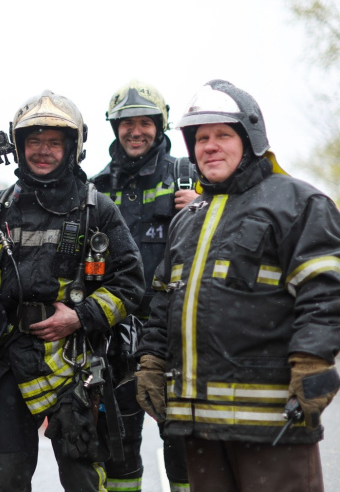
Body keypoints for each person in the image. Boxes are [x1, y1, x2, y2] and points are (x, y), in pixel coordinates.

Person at [134, 79, 340, 492]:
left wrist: (312, 362)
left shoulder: (298, 204)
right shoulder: (187, 219)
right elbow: (164, 300)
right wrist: (152, 362)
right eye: (201, 138)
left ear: (250, 138)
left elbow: (325, 294)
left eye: (223, 135)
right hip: (198, 425)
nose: (209, 146)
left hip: (271, 420)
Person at [0, 90, 146, 492]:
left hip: (75, 366)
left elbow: (130, 283)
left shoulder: (98, 209)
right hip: (9, 361)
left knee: (82, 478)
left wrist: (80, 317)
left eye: (54, 142)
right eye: (34, 141)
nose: (43, 151)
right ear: (18, 146)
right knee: (6, 479)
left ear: (73, 148)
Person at [91, 80, 196, 492]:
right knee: (117, 442)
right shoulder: (97, 187)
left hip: (173, 331)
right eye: (126, 123)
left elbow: (229, 229)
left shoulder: (188, 177)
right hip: (115, 333)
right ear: (114, 128)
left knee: (183, 440)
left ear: (160, 125)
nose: (136, 132)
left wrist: (202, 206)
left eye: (145, 123)